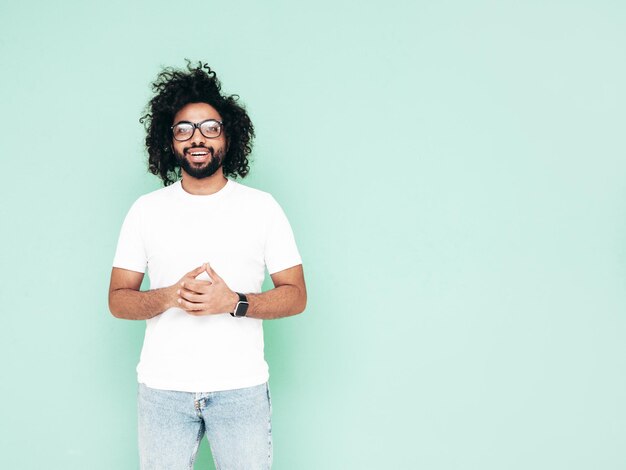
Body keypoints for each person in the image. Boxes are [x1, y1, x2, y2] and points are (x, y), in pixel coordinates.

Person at [108, 62, 307, 470]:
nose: (197, 138)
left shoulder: (261, 208)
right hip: (163, 390)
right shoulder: (146, 211)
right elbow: (117, 300)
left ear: (228, 136)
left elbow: (297, 295)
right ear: (170, 140)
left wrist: (234, 302)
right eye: (184, 129)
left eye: (210, 128)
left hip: (241, 389)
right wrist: (168, 296)